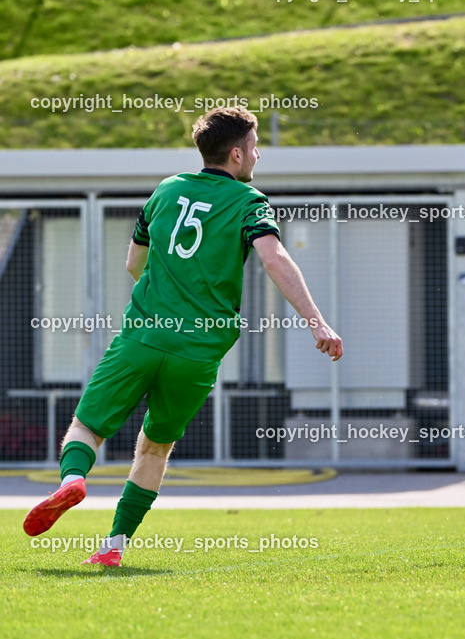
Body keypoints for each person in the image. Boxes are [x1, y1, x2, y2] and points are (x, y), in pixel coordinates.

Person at [23, 107, 343, 566]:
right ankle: (114, 545)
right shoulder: (250, 202)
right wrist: (317, 321)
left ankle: (72, 480)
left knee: (88, 427)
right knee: (155, 445)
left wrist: (163, 297)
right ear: (236, 154)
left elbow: (133, 263)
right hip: (199, 348)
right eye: (254, 147)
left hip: (144, 335)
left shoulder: (167, 190)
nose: (258, 154)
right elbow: (274, 259)